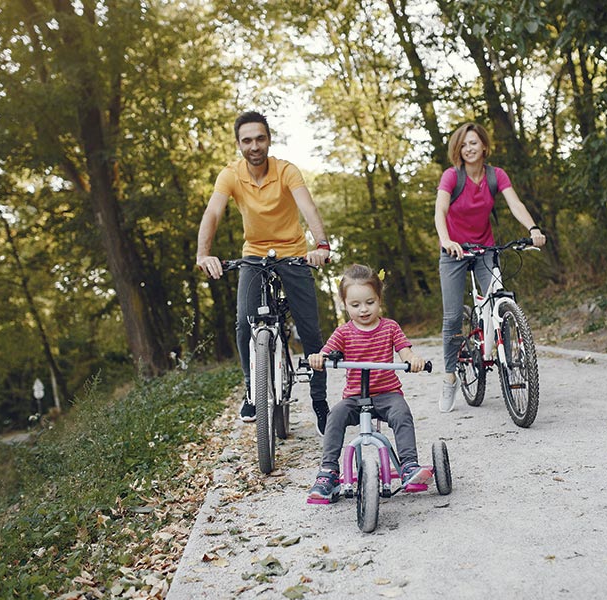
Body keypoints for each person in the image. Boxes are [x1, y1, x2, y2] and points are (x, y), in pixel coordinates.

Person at [196, 111, 331, 434]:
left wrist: (321, 245)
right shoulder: (230, 175)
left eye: (260, 138)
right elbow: (213, 212)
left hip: (293, 252)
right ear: (238, 144)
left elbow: (308, 207)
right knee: (244, 322)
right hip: (254, 255)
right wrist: (203, 253)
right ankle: (252, 389)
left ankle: (320, 399)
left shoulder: (286, 171)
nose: (254, 146)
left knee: (310, 330)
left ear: (269, 140)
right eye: (247, 140)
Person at [433, 122, 546, 413]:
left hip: (485, 249)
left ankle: (507, 351)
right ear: (458, 150)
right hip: (455, 251)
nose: (469, 149)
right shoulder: (452, 176)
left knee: (500, 299)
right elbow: (440, 210)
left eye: (473, 143)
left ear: (484, 145)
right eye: (463, 145)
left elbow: (515, 204)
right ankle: (450, 376)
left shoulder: (496, 175)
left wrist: (533, 228)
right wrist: (446, 240)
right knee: (453, 317)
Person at [306, 264, 433, 504]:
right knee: (335, 416)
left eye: (369, 302)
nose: (363, 309)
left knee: (402, 413)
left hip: (387, 394)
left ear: (379, 300)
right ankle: (328, 472)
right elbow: (325, 353)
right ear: (345, 305)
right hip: (354, 397)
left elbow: (405, 351)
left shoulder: (390, 327)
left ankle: (409, 466)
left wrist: (413, 360)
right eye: (355, 305)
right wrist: (318, 358)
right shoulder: (343, 333)